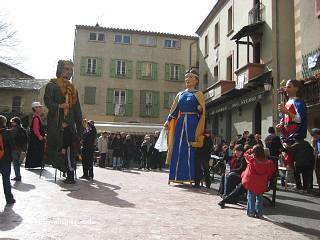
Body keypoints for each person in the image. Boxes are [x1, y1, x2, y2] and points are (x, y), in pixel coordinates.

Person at [164, 69, 205, 184]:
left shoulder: (198, 94)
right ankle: (175, 176)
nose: (188, 79)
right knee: (178, 147)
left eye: (191, 77)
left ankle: (191, 177)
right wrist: (168, 120)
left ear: (196, 80)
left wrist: (200, 109)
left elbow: (203, 112)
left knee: (190, 148)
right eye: (187, 77)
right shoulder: (180, 94)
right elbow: (174, 110)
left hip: (193, 122)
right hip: (181, 122)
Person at [44, 60, 83, 175]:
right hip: (56, 123)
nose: (69, 72)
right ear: (60, 69)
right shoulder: (52, 85)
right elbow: (48, 102)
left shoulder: (73, 89)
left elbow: (78, 111)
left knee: (70, 149)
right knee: (57, 148)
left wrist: (80, 131)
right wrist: (60, 106)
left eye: (71, 70)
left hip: (69, 126)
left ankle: (69, 170)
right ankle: (64, 168)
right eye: (67, 69)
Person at [219, 145, 276, 218]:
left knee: (251, 197)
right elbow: (272, 172)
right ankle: (259, 213)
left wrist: (251, 150)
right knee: (259, 198)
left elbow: (245, 154)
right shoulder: (269, 162)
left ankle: (251, 212)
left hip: (251, 182)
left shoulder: (251, 159)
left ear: (254, 152)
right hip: (261, 183)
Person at [276, 79, 307, 168]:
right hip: (286, 139)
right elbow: (283, 119)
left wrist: (286, 111)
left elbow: (299, 119)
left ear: (296, 89)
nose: (286, 89)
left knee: (296, 166)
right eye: (286, 87)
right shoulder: (287, 103)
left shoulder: (299, 103)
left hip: (296, 139)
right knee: (286, 165)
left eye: (289, 87)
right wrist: (280, 126)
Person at [0, 115, 15, 204]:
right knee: (6, 180)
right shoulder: (8, 133)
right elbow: (12, 146)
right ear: (4, 123)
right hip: (5, 159)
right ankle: (9, 199)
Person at [25, 102, 46, 169]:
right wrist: (39, 136)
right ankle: (34, 164)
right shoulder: (36, 118)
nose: (41, 108)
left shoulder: (37, 117)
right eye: (39, 107)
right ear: (35, 108)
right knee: (35, 151)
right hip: (36, 140)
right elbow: (35, 129)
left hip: (37, 139)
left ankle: (37, 164)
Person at [9, 117, 26, 181]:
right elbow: (26, 140)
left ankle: (18, 177)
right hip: (21, 150)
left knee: (15, 164)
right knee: (18, 163)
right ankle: (18, 176)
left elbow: (10, 139)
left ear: (15, 122)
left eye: (12, 122)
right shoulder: (23, 129)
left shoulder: (13, 129)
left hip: (15, 149)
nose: (11, 123)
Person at [311, 128, 320, 194]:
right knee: (318, 175)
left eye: (314, 135)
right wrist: (313, 144)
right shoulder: (315, 141)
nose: (313, 137)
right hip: (317, 161)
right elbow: (314, 152)